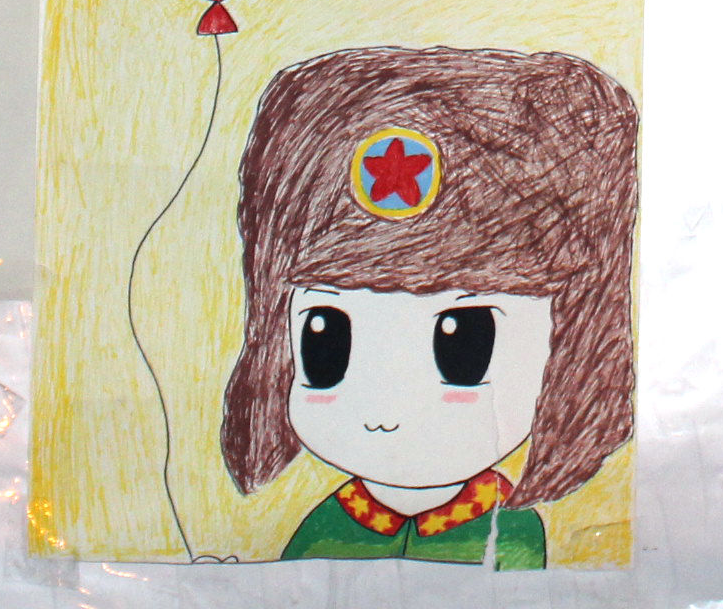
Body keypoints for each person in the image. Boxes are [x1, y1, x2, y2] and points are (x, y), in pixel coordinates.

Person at [222, 46, 638, 569]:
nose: (384, 413)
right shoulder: (329, 524)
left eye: (464, 346)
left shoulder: (508, 533)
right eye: (325, 341)